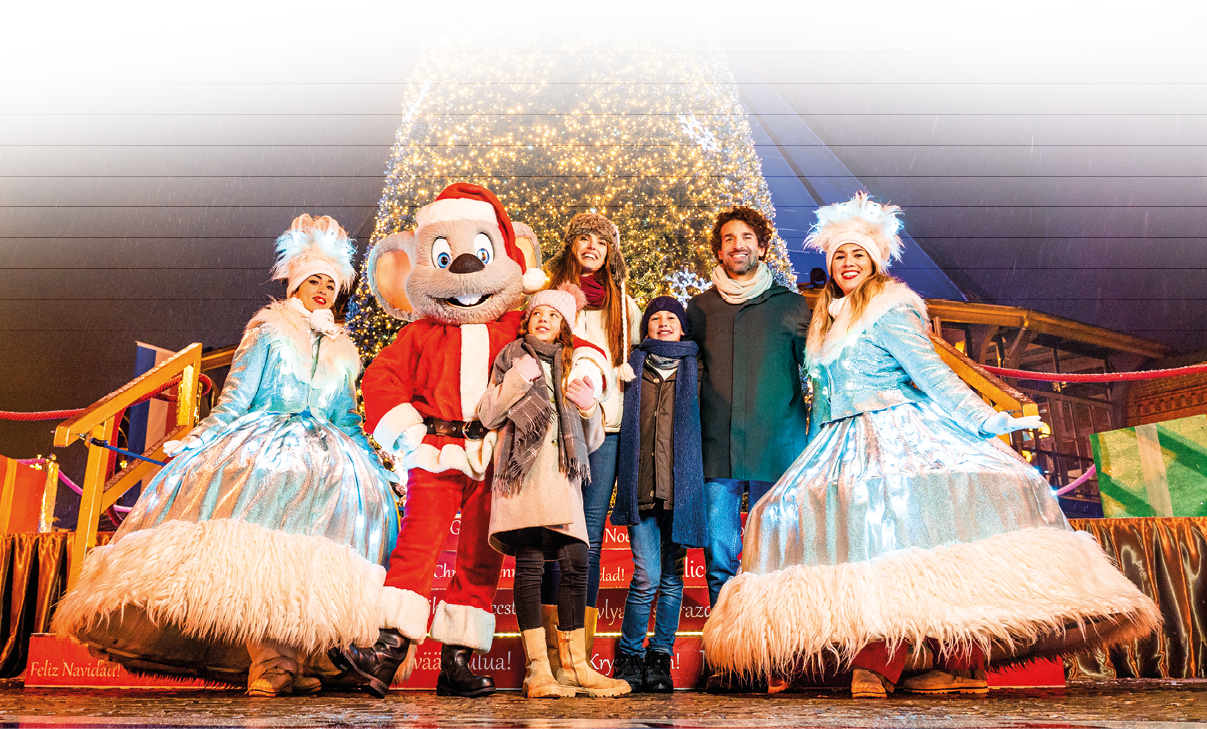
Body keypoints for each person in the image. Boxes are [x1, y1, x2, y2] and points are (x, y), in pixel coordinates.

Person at [702, 192, 1161, 697]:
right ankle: (923, 661)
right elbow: (824, 403)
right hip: (840, 445)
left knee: (912, 551)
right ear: (828, 263)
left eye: (857, 254)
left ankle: (896, 661)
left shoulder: (890, 310)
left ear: (874, 259)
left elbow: (934, 375)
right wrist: (809, 462)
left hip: (897, 436)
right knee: (848, 544)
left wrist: (987, 421)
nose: (848, 263)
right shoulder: (826, 319)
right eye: (839, 255)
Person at [53, 214, 401, 697]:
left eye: (329, 283)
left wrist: (377, 464)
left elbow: (347, 417)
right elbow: (236, 399)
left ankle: (294, 661)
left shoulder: (344, 351)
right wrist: (194, 441)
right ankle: (268, 665)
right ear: (296, 285)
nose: (322, 290)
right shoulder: (268, 330)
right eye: (313, 281)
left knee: (310, 569)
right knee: (263, 558)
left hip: (329, 467)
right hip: (269, 454)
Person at [338, 184, 547, 698]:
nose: (463, 270)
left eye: (478, 253)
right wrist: (405, 431)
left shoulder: (515, 325)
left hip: (497, 455)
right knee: (417, 546)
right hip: (434, 449)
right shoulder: (421, 332)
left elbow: (560, 337)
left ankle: (457, 661)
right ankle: (386, 653)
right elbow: (382, 379)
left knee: (482, 556)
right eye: (445, 256)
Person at [477, 284, 630, 698]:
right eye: (537, 314)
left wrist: (587, 408)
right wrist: (514, 382)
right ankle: (538, 671)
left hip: (562, 480)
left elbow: (591, 440)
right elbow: (488, 414)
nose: (544, 319)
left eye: (554, 316)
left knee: (576, 562)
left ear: (564, 326)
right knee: (529, 565)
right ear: (527, 320)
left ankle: (575, 667)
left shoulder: (571, 366)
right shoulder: (510, 359)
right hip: (522, 478)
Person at [686, 205, 810, 690]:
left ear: (761, 246)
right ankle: (728, 654)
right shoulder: (699, 309)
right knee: (720, 554)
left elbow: (815, 374)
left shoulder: (791, 306)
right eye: (728, 238)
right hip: (717, 448)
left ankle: (772, 655)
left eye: (746, 237)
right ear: (719, 249)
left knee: (771, 556)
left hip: (777, 448)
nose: (737, 245)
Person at [540, 212, 642, 655]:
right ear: (572, 246)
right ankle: (547, 653)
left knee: (591, 537)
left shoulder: (623, 304)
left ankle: (577, 650)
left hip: (608, 429)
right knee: (554, 532)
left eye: (600, 242)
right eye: (583, 238)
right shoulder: (551, 297)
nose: (591, 247)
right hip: (555, 429)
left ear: (610, 251)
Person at [609, 296, 707, 693]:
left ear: (682, 327)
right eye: (656, 319)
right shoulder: (632, 368)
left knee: (671, 579)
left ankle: (660, 659)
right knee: (646, 576)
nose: (663, 323)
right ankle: (630, 655)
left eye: (671, 318)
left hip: (679, 490)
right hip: (642, 488)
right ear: (645, 327)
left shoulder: (696, 368)